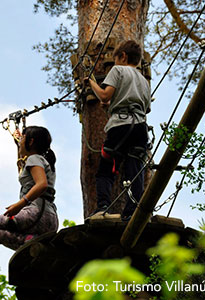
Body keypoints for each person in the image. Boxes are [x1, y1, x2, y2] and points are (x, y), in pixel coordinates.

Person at [86, 40, 151, 221]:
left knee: (106, 168)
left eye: (116, 59)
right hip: (139, 126)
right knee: (135, 170)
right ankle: (133, 211)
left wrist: (91, 83)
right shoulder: (144, 81)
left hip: (119, 125)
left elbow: (105, 95)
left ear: (122, 56)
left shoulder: (117, 70)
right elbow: (146, 108)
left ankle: (103, 207)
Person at [0, 126, 58, 250]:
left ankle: (27, 241)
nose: (20, 141)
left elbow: (42, 184)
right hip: (50, 220)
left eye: (23, 138)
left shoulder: (34, 159)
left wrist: (19, 205)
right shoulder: (44, 161)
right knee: (7, 235)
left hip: (35, 214)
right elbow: (25, 168)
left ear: (31, 141)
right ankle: (32, 243)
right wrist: (18, 142)